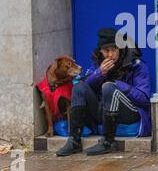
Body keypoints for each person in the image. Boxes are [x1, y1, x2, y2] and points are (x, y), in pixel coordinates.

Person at [56, 28, 152, 157]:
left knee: (109, 87)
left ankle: (108, 142)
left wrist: (118, 85)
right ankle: (74, 140)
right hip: (104, 113)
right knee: (79, 87)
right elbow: (85, 86)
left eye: (114, 49)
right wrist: (99, 74)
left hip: (130, 113)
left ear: (121, 49)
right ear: (101, 52)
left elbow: (144, 100)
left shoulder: (137, 66)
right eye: (106, 51)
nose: (110, 55)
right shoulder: (98, 63)